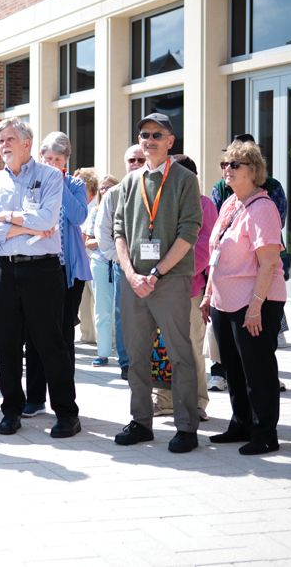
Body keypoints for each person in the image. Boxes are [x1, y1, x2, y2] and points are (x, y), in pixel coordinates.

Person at [0, 118, 80, 440]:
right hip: (3, 270)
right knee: (6, 345)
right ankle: (11, 411)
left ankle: (67, 414)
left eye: (9, 139)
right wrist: (26, 227)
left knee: (50, 344)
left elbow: (48, 218)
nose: (4, 145)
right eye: (0, 141)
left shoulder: (50, 176)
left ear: (26, 143)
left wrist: (7, 217)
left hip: (42, 270)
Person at [113, 112, 202, 453]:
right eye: (144, 135)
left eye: (156, 135)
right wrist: (133, 274)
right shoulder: (130, 182)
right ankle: (140, 422)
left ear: (170, 141)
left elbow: (189, 232)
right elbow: (119, 231)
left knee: (180, 354)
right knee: (136, 356)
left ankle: (186, 426)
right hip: (134, 283)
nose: (148, 140)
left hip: (170, 281)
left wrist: (157, 273)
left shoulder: (183, 180)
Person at [200, 140, 287, 455]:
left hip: (254, 302)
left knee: (257, 369)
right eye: (225, 165)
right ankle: (241, 423)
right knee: (233, 367)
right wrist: (208, 295)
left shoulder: (263, 208)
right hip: (225, 300)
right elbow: (217, 254)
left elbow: (269, 263)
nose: (227, 170)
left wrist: (255, 308)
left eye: (235, 165)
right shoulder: (230, 205)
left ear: (254, 171)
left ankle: (265, 433)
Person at [19, 133, 90, 419]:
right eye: (47, 159)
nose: (51, 163)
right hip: (39, 267)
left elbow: (78, 217)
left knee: (62, 335)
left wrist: (58, 184)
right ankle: (34, 397)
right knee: (35, 334)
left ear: (66, 162)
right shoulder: (32, 183)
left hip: (68, 271)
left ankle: (65, 398)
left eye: (57, 160)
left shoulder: (74, 184)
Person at [152, 155, 217, 421]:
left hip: (187, 288)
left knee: (190, 347)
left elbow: (205, 249)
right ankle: (164, 399)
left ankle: (197, 401)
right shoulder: (159, 203)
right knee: (162, 347)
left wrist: (167, 268)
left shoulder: (204, 206)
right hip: (158, 289)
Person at [94, 144, 147, 379]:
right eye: (131, 160)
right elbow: (102, 231)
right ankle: (126, 363)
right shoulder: (115, 194)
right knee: (123, 315)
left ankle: (148, 361)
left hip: (153, 267)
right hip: (123, 267)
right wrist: (120, 260)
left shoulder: (157, 191)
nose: (135, 164)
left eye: (140, 159)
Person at [86, 175, 118, 366]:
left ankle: (126, 353)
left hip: (123, 263)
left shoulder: (125, 209)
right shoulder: (95, 212)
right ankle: (103, 351)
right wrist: (107, 240)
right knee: (102, 310)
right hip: (100, 263)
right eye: (103, 188)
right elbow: (88, 242)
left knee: (124, 311)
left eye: (109, 188)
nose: (105, 191)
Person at [73, 167, 100, 346]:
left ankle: (99, 336)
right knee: (83, 300)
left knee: (95, 299)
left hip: (91, 257)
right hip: (79, 257)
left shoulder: (93, 208)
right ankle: (87, 335)